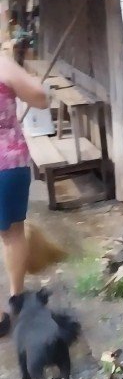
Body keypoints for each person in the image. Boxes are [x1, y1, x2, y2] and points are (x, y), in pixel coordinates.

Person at [0, 55, 48, 337]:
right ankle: (16, 297)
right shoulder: (2, 64)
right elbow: (40, 97)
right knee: (13, 233)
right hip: (8, 162)